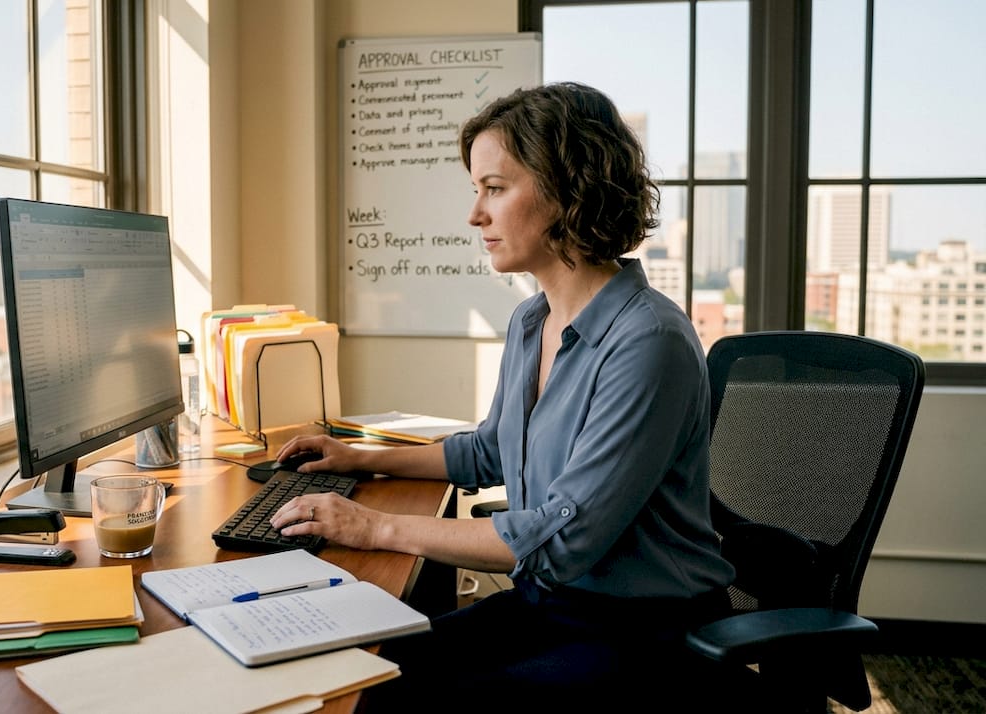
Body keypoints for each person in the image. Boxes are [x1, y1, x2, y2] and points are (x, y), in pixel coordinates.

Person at [269, 81, 736, 709]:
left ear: (570, 189)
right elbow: (490, 450)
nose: (475, 214)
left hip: (644, 632)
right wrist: (361, 456)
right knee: (369, 671)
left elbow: (561, 542)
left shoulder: (649, 342)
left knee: (393, 698)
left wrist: (371, 524)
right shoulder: (531, 321)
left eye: (495, 188)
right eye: (476, 191)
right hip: (553, 609)